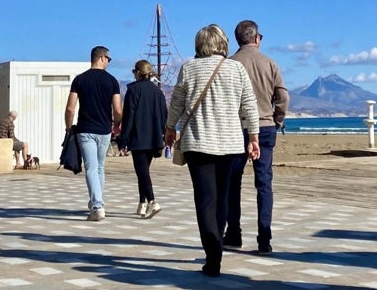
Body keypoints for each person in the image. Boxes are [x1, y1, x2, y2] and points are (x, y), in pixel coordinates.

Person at [164, 24, 260, 277]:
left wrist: (169, 127)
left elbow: (177, 102)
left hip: (198, 143)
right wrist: (254, 138)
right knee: (223, 198)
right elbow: (249, 105)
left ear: (199, 44)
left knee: (206, 199)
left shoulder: (188, 68)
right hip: (230, 145)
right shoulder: (236, 68)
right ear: (223, 44)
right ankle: (216, 247)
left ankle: (213, 254)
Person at [225, 20, 290, 255]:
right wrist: (277, 119)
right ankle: (264, 237)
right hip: (264, 126)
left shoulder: (229, 64)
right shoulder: (270, 63)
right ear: (257, 38)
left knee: (233, 182)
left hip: (236, 128)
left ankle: (233, 233)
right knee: (264, 184)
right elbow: (283, 97)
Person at [66, 45, 122, 221]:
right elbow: (118, 109)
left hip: (85, 129)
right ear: (102, 58)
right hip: (104, 130)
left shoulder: (79, 80)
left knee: (91, 167)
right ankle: (96, 202)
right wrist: (117, 125)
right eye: (109, 59)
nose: (108, 62)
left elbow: (70, 108)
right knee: (99, 167)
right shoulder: (112, 81)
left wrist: (69, 127)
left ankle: (97, 205)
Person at [119, 60, 168, 219]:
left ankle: (153, 201)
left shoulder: (133, 91)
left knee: (142, 172)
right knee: (143, 171)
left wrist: (123, 139)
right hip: (154, 138)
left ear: (138, 72)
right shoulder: (158, 92)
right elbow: (164, 116)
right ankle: (142, 203)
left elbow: (129, 117)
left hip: (139, 138)